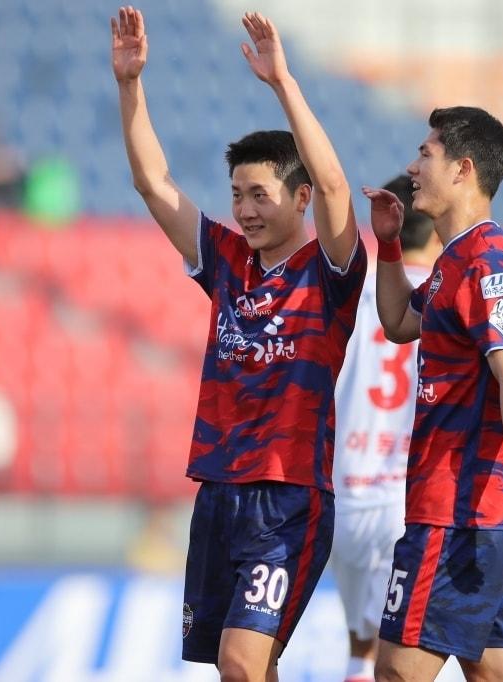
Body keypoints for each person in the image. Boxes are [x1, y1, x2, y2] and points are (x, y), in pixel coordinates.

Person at [112, 7, 366, 681]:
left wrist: (282, 82)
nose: (245, 209)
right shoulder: (226, 260)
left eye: (260, 194)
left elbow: (337, 186)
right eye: (236, 195)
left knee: (242, 662)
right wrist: (130, 85)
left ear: (300, 198)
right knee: (247, 667)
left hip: (289, 495)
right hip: (219, 491)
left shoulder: (330, 273)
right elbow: (153, 184)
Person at [363, 106, 503, 682]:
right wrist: (390, 245)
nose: (412, 167)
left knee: (396, 672)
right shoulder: (456, 259)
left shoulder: (491, 262)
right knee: (497, 674)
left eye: (425, 154)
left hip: (457, 512)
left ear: (463, 169)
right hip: (471, 515)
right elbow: (399, 322)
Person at [329, 175, 439, 682]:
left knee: (361, 642)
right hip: (411, 498)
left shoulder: (351, 293)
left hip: (346, 489)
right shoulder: (445, 294)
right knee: (404, 651)